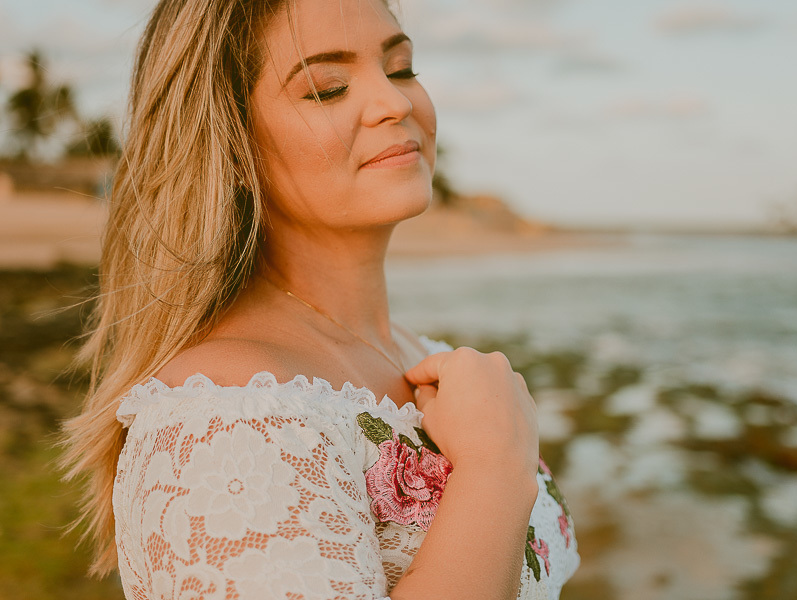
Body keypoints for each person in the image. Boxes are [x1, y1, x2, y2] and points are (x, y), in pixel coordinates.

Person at [61, 0, 580, 598]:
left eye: (401, 67)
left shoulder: (418, 355)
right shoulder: (228, 415)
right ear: (232, 146)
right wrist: (494, 470)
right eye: (327, 88)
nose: (395, 101)